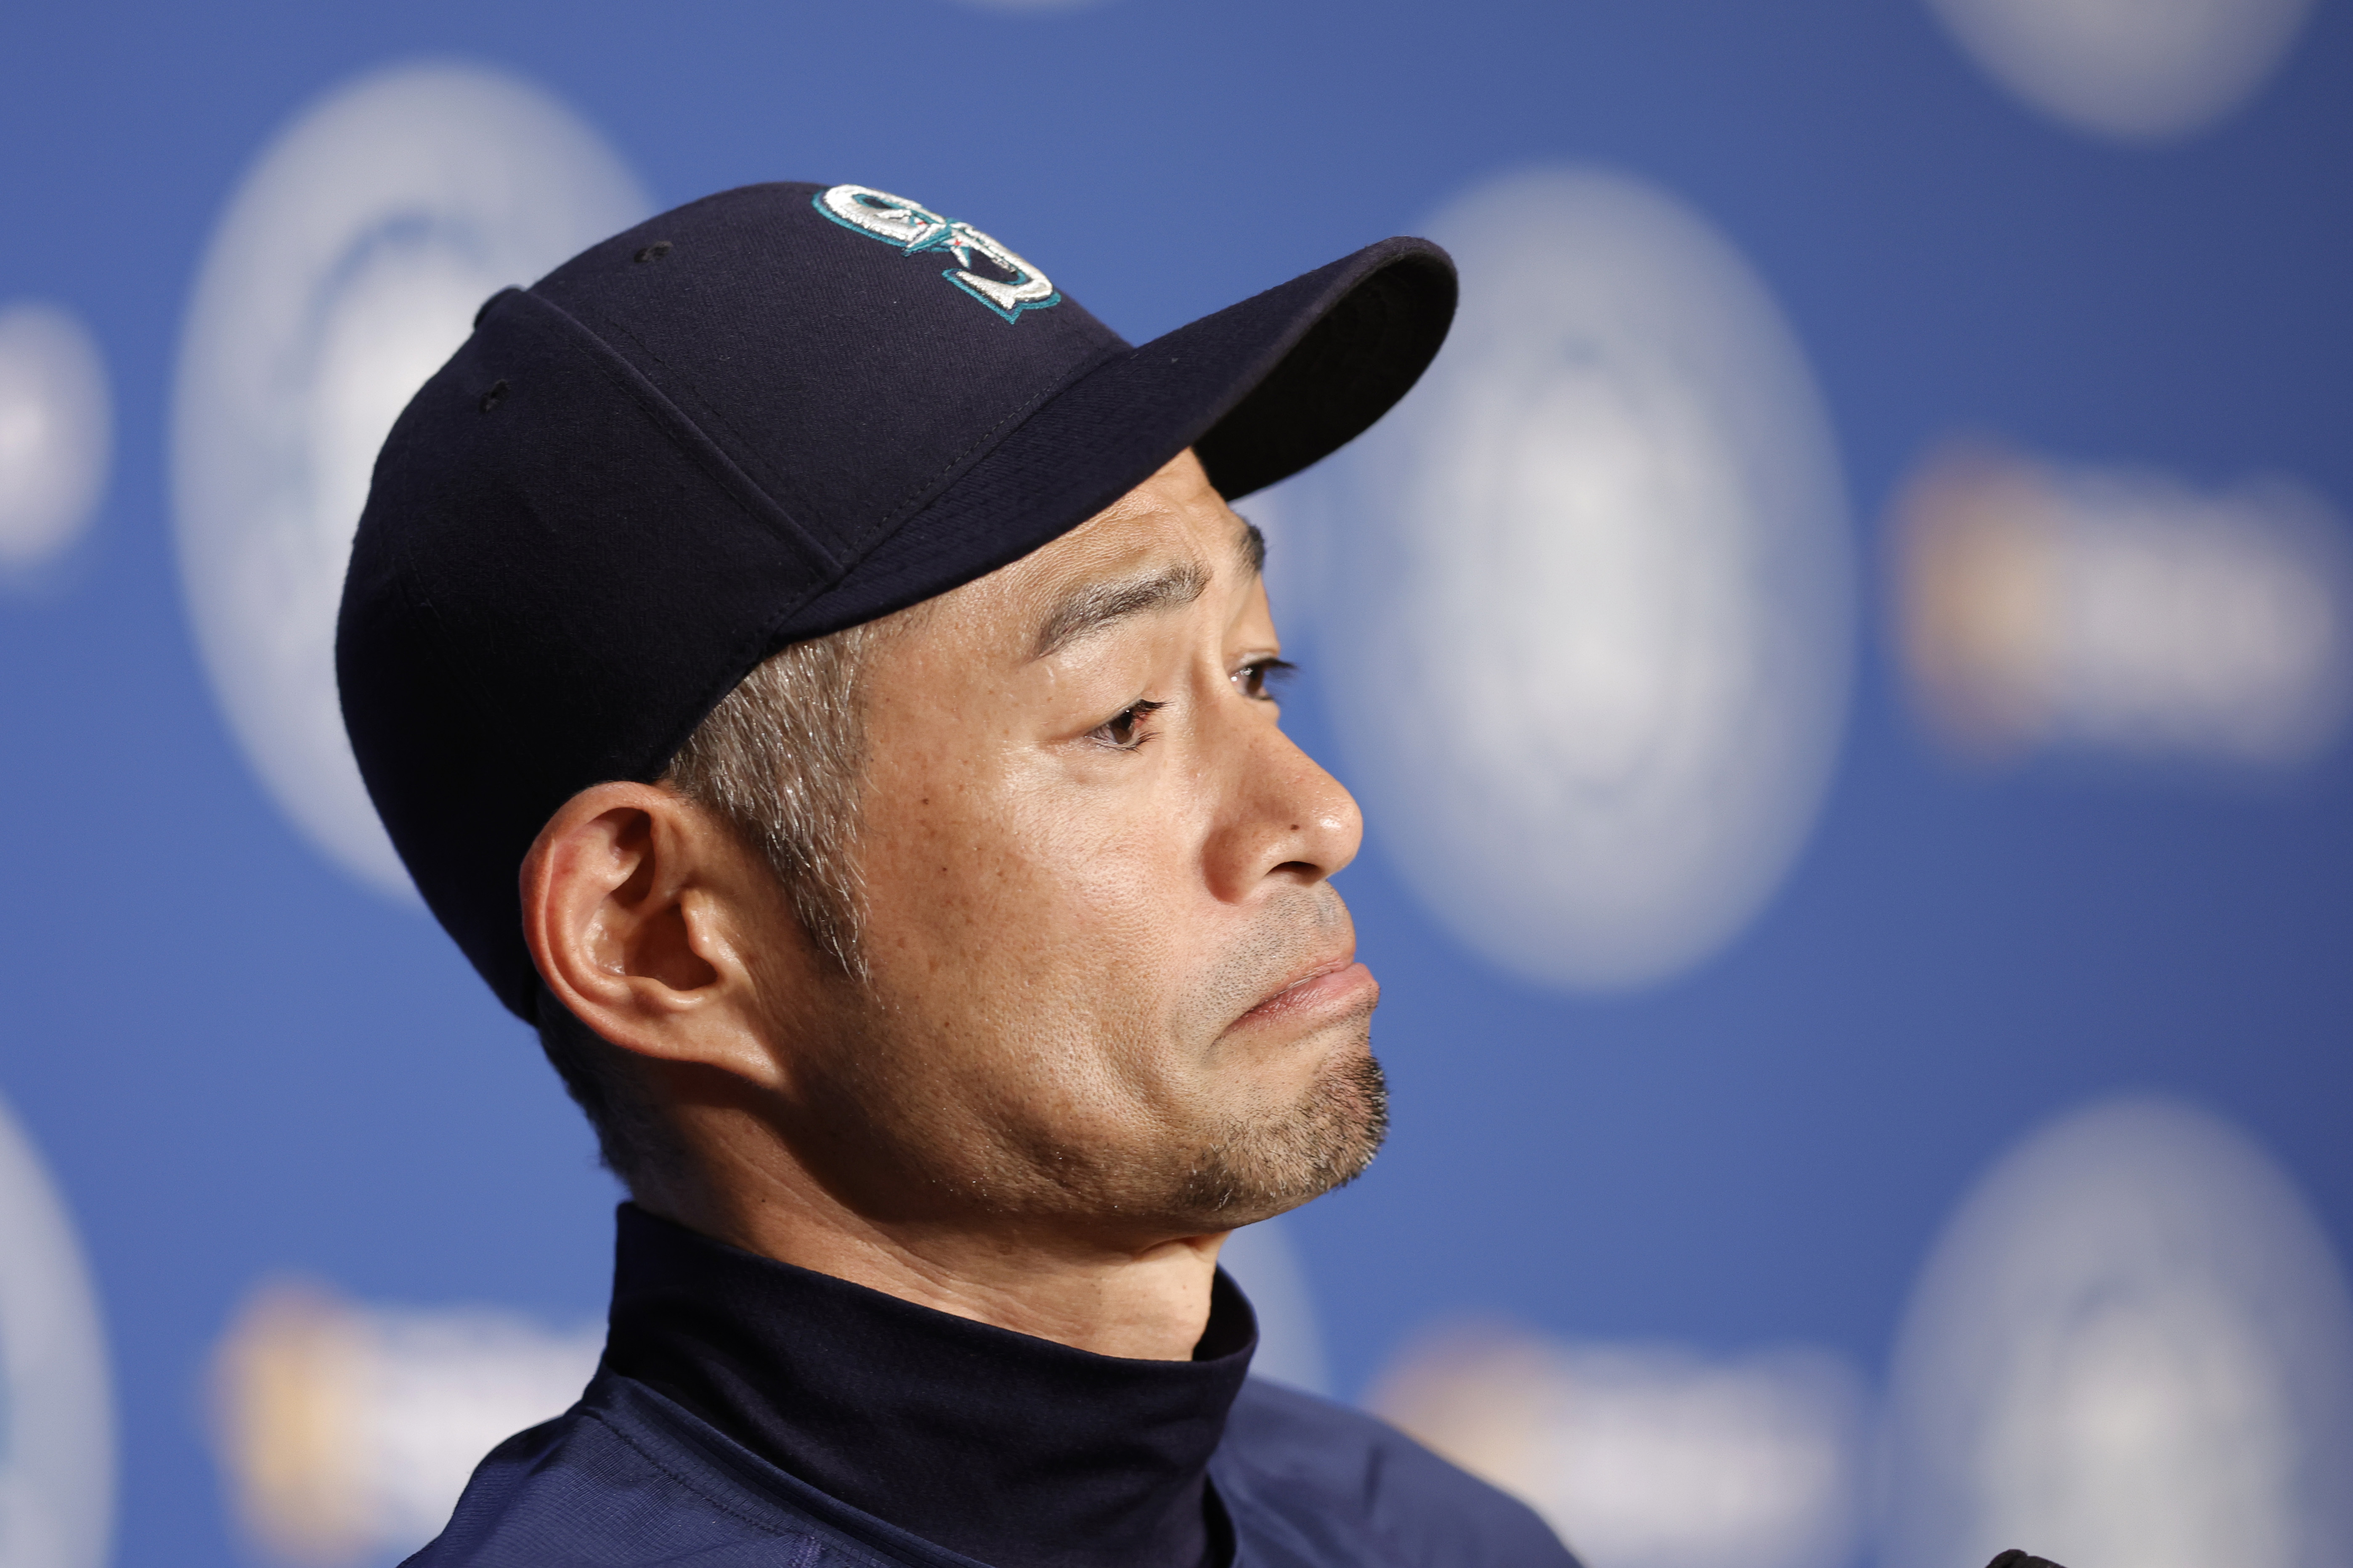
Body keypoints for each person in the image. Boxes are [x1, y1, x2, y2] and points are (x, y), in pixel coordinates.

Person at [338, 180, 1577, 1568]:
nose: (1321, 817)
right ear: (659, 931)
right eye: (1122, 719)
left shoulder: (1434, 1537)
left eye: (1256, 671)